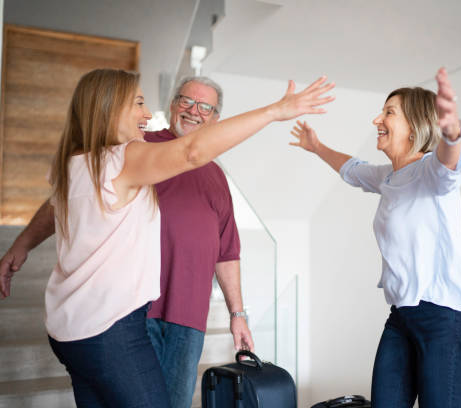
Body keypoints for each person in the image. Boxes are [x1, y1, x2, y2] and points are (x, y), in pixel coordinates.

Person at [0, 68, 334, 407]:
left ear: (216, 116)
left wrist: (21, 246)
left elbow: (57, 204)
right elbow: (192, 152)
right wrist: (274, 111)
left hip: (72, 330)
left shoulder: (75, 164)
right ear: (109, 109)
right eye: (139, 103)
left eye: (205, 107)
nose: (147, 114)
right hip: (113, 327)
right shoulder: (127, 156)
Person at [290, 67, 461, 407]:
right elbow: (352, 169)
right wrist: (316, 146)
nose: (377, 119)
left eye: (389, 112)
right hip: (402, 316)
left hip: (444, 318)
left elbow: (450, 164)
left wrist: (452, 133)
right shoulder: (390, 177)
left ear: (415, 126)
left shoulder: (431, 173)